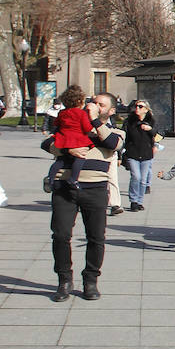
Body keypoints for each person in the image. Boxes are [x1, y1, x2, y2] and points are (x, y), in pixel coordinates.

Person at [45, 94, 123, 302]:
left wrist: (96, 120)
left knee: (96, 237)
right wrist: (65, 148)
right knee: (60, 235)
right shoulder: (71, 126)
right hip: (65, 186)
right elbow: (47, 143)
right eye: (93, 102)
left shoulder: (113, 131)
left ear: (110, 111)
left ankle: (90, 280)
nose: (94, 106)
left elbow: (113, 143)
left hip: (95, 189)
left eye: (101, 105)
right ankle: (64, 279)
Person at [46, 86, 94, 190]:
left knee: (60, 160)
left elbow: (56, 123)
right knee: (80, 158)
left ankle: (50, 177)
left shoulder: (62, 112)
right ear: (79, 101)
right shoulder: (81, 113)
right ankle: (73, 179)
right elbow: (87, 127)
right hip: (77, 138)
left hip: (63, 137)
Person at [121, 99, 157, 211]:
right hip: (133, 153)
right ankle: (133, 201)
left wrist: (150, 130)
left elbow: (159, 134)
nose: (137, 108)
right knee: (136, 176)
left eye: (141, 107)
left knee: (143, 180)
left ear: (146, 109)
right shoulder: (129, 121)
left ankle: (140, 201)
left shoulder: (151, 121)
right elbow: (124, 136)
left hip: (147, 154)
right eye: (136, 106)